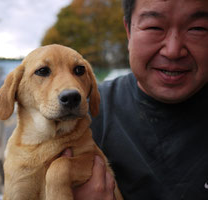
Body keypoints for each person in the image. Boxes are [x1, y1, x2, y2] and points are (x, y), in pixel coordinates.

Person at [65, 0, 208, 199]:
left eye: (197, 29)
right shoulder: (83, 115)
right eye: (154, 27)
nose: (173, 50)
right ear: (128, 32)